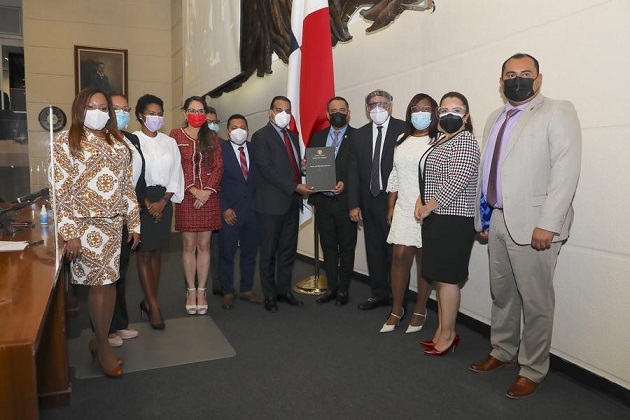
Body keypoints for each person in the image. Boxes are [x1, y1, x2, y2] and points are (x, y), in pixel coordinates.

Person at [469, 53, 582, 399]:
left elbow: (566, 170)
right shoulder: (494, 117)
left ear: (539, 79)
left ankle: (532, 368)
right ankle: (503, 352)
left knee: (535, 302)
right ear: (500, 82)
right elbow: (489, 171)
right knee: (501, 294)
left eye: (525, 73)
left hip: (536, 226)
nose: (517, 79)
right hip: (498, 219)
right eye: (510, 74)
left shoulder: (557, 111)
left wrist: (548, 223)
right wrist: (483, 216)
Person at [52, 86, 140, 377]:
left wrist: (135, 223)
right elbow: (60, 191)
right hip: (84, 226)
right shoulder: (66, 140)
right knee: (99, 286)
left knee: (110, 283)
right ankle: (103, 345)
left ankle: (100, 340)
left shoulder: (118, 142)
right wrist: (69, 232)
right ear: (80, 108)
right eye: (92, 106)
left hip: (114, 225)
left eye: (104, 108)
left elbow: (127, 186)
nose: (99, 112)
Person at [414, 92, 479, 355]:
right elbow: (427, 177)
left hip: (454, 219)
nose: (449, 114)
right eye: (444, 110)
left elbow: (457, 181)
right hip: (437, 217)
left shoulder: (465, 141)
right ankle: (442, 329)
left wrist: (428, 207)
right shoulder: (441, 141)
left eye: (456, 109)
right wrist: (420, 202)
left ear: (466, 115)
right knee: (440, 279)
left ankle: (449, 334)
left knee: (449, 280)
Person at [250, 95, 315, 312]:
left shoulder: (293, 136)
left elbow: (291, 166)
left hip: (291, 203)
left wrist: (303, 166)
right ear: (270, 112)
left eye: (287, 110)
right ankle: (269, 295)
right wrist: (295, 186)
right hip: (271, 204)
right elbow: (267, 170)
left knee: (287, 250)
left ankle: (284, 291)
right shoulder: (261, 137)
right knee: (268, 251)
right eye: (279, 110)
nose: (284, 114)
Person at [380, 93, 438, 333]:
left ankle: (420, 309)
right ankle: (397, 308)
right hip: (403, 205)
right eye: (415, 109)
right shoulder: (401, 138)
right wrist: (391, 205)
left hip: (426, 208)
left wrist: (427, 204)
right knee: (400, 255)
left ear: (434, 113)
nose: (419, 113)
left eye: (425, 109)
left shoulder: (439, 139)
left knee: (425, 261)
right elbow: (394, 173)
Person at [347, 89, 405, 310]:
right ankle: (379, 293)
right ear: (367, 108)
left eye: (382, 103)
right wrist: (353, 204)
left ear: (391, 105)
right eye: (372, 104)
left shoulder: (404, 130)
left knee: (396, 254)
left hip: (395, 202)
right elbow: (352, 172)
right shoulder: (359, 134)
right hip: (368, 201)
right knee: (374, 250)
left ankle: (398, 299)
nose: (377, 107)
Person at [133, 94, 184, 329]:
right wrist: (145, 203)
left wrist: (164, 200)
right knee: (143, 253)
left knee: (156, 254)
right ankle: (154, 305)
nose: (156, 118)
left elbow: (176, 174)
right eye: (151, 113)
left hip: (164, 200)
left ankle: (148, 299)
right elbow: (129, 177)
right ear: (141, 115)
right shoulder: (131, 140)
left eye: (159, 113)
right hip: (140, 201)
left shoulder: (169, 142)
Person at [171, 96, 223, 315]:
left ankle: (202, 290)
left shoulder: (211, 136)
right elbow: (175, 166)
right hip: (186, 197)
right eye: (193, 110)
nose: (197, 114)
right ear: (185, 113)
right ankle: (190, 290)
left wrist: (207, 192)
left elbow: (219, 166)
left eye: (201, 111)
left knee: (204, 246)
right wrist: (193, 189)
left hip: (209, 198)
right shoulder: (175, 135)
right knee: (188, 246)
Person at [308, 96, 357, 306]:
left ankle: (344, 289)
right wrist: (306, 166)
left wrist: (345, 183)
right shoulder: (317, 137)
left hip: (346, 203)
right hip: (323, 202)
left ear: (349, 113)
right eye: (334, 110)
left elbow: (360, 170)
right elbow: (313, 168)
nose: (338, 113)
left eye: (342, 109)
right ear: (327, 115)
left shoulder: (357, 137)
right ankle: (332, 288)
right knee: (327, 246)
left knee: (346, 247)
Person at [106, 92, 146, 347]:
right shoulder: (100, 138)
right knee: (106, 277)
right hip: (107, 217)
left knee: (121, 273)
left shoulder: (131, 139)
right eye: (116, 108)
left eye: (126, 108)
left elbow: (137, 177)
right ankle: (105, 329)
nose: (122, 113)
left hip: (129, 213)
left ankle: (119, 324)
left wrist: (135, 215)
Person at [218, 114, 263, 309]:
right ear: (227, 131)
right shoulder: (219, 151)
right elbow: (215, 183)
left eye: (242, 127)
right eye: (234, 127)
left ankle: (246, 289)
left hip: (253, 211)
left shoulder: (255, 149)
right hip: (230, 212)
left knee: (250, 253)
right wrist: (224, 208)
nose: (239, 131)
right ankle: (228, 291)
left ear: (248, 129)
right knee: (227, 253)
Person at [206, 107, 223, 296]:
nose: (212, 125)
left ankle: (218, 283)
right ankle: (194, 287)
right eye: (208, 121)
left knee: (217, 248)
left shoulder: (224, 144)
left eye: (215, 122)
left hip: (219, 202)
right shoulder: (194, 144)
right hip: (198, 202)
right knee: (196, 249)